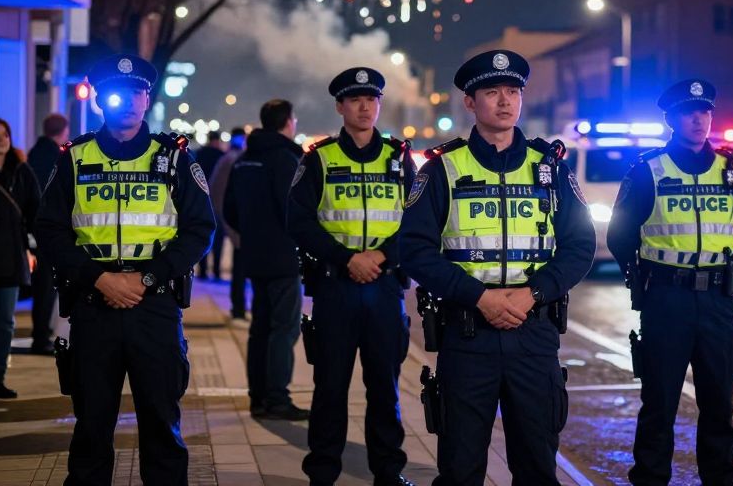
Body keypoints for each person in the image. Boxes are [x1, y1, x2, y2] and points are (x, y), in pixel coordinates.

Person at [400, 50, 596, 486]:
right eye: (492, 92)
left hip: (534, 334)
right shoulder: (441, 169)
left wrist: (533, 294)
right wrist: (480, 297)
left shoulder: (550, 168)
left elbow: (580, 247)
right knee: (461, 467)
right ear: (470, 102)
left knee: (537, 466)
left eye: (513, 91)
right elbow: (414, 249)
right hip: (468, 336)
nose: (505, 101)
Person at [34, 54, 215, 486]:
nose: (129, 101)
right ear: (99, 100)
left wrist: (146, 278)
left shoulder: (172, 158)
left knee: (162, 425)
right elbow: (50, 228)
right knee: (92, 427)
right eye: (118, 92)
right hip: (94, 307)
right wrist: (98, 278)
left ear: (147, 98)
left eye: (137, 92)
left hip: (154, 307)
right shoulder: (74, 158)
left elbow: (199, 229)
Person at [607, 79, 733, 486]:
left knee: (718, 405)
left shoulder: (731, 169)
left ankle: (720, 479)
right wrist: (644, 275)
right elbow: (620, 236)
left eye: (705, 112)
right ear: (672, 119)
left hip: (718, 300)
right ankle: (651, 479)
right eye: (690, 113)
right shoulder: (649, 169)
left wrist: (723, 262)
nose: (699, 119)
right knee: (658, 404)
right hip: (666, 299)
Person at [288, 67, 417, 486]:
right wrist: (347, 259)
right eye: (355, 100)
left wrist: (380, 256)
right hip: (335, 287)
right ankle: (323, 471)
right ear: (340, 106)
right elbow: (299, 221)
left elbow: (419, 223)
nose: (365, 107)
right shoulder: (319, 157)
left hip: (384, 288)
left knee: (385, 388)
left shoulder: (399, 157)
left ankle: (388, 472)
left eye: (372, 99)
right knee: (329, 388)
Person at [224, 101, 306, 420]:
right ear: (288, 122)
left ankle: (257, 396)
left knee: (260, 327)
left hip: (253, 255)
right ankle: (277, 397)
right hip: (283, 257)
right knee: (284, 328)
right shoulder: (285, 159)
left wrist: (250, 234)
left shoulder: (244, 160)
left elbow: (229, 208)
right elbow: (293, 210)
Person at [0, 118, 40, 398]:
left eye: (5, 134)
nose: (1, 139)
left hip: (10, 258)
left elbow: (35, 210)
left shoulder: (21, 170)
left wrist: (32, 247)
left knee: (4, 322)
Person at [26, 113, 70, 355]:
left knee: (41, 286)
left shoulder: (34, 152)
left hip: (34, 228)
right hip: (48, 230)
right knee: (46, 287)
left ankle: (40, 333)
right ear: (63, 131)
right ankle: (40, 336)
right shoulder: (56, 156)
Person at [211, 128, 248, 321]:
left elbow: (215, 187)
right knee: (241, 266)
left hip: (224, 213)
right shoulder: (238, 159)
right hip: (232, 217)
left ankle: (238, 307)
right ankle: (239, 308)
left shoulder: (226, 159)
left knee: (222, 250)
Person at [196, 131, 226, 280]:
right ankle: (216, 270)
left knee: (203, 236)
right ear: (218, 140)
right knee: (218, 239)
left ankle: (202, 271)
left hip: (202, 200)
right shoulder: (221, 155)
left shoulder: (200, 154)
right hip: (217, 202)